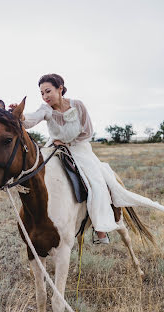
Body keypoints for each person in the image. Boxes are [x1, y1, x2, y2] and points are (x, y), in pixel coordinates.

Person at [10, 73, 164, 244]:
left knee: (97, 184)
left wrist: (68, 142)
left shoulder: (78, 106)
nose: (45, 96)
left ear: (60, 88)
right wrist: (21, 115)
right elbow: (31, 120)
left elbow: (88, 131)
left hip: (80, 149)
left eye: (48, 91)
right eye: (42, 93)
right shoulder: (45, 109)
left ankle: (100, 229)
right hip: (55, 148)